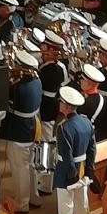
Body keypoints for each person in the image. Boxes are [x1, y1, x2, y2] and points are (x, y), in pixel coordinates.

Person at [54, 86, 96, 214]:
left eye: (61, 102)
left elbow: (66, 155)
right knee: (82, 207)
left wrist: (72, 178)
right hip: (83, 170)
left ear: (66, 106)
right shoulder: (86, 122)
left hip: (67, 173)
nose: (59, 104)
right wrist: (89, 171)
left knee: (66, 212)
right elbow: (92, 149)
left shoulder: (63, 128)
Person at [0, 50, 42, 213]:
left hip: (19, 130)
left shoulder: (18, 88)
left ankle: (22, 203)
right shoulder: (37, 81)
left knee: (20, 168)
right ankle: (34, 196)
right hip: (33, 126)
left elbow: (5, 102)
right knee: (30, 165)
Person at [37, 29, 68, 194]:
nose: (41, 50)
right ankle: (44, 180)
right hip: (50, 106)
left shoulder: (51, 69)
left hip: (47, 108)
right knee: (46, 143)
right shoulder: (58, 67)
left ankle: (45, 183)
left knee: (45, 145)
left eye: (44, 48)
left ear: (51, 51)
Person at [77, 63, 107, 141]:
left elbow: (80, 123)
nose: (80, 81)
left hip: (84, 135)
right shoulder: (100, 98)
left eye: (82, 79)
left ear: (89, 83)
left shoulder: (87, 102)